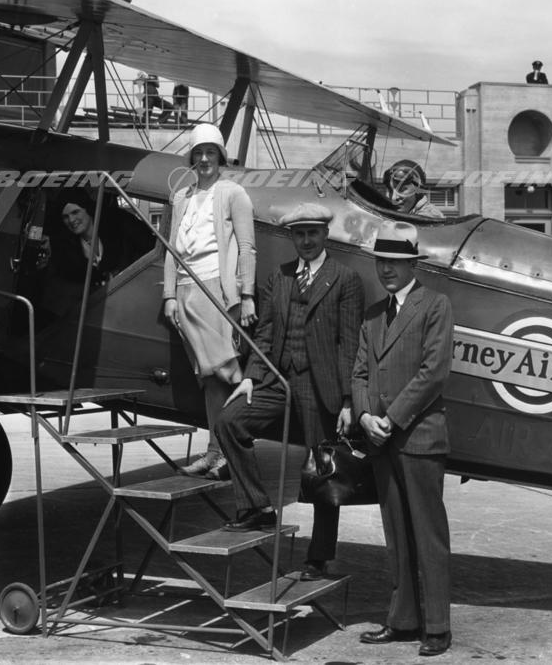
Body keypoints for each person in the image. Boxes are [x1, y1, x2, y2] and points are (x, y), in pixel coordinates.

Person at [215, 203, 364, 581]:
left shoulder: (345, 279)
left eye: (313, 233)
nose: (307, 240)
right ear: (291, 237)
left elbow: (349, 343)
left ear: (325, 234)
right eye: (299, 234)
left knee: (323, 468)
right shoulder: (278, 278)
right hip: (278, 381)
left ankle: (319, 557)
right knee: (230, 421)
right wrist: (251, 377)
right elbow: (264, 334)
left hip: (321, 387)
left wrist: (348, 400)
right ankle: (257, 507)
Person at [351, 221, 454, 657]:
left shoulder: (435, 305)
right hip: (382, 440)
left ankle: (438, 627)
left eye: (395, 261)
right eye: (381, 261)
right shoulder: (374, 314)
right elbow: (359, 372)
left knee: (428, 534)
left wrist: (389, 419)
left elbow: (434, 372)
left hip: (418, 437)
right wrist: (363, 416)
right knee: (396, 532)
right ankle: (403, 620)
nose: (387, 269)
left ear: (414, 264)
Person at [164, 123, 257, 479]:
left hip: (216, 291)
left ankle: (231, 452)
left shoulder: (233, 192)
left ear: (221, 157)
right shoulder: (181, 197)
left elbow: (247, 247)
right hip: (185, 291)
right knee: (208, 377)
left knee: (225, 372)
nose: (204, 159)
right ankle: (215, 452)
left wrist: (246, 295)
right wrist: (169, 295)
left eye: (211, 152)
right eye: (198, 153)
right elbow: (171, 249)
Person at [45, 188, 154, 290]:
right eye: (65, 217)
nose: (71, 220)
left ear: (88, 209)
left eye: (75, 212)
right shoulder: (67, 249)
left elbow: (151, 250)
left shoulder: (120, 226)